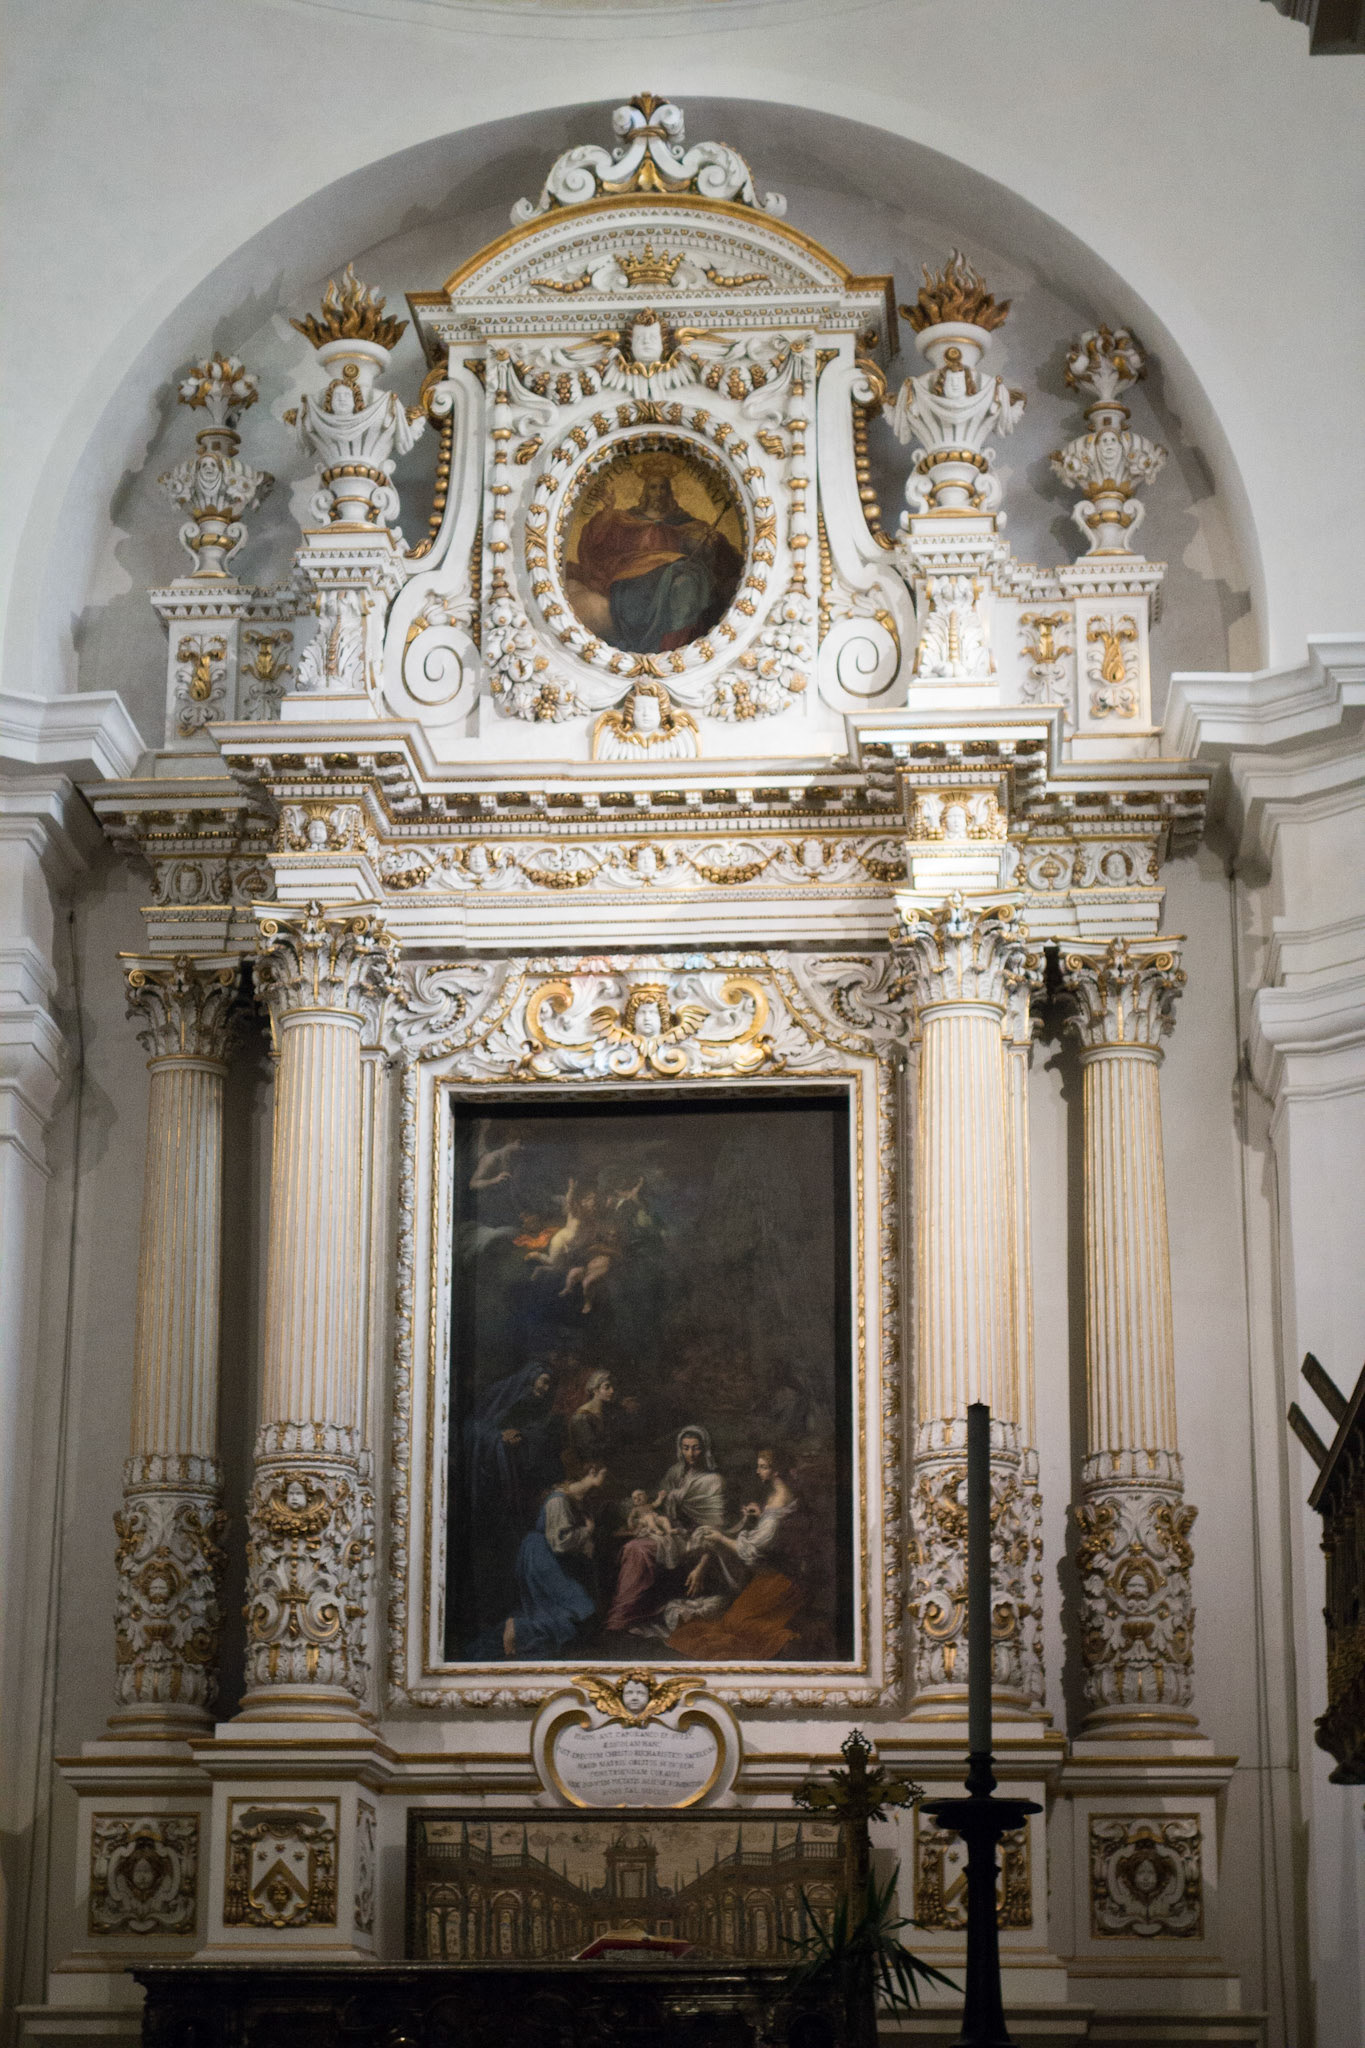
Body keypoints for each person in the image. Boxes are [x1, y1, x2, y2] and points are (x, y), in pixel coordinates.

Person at [571, 459, 742, 655]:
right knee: (675, 583)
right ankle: (651, 648)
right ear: (645, 491)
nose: (659, 493)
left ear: (670, 493)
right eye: (653, 487)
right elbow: (595, 542)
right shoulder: (625, 520)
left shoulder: (686, 523)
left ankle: (675, 650)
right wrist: (608, 510)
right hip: (634, 576)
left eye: (663, 488)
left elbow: (715, 554)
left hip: (678, 570)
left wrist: (708, 542)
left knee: (687, 582)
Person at [662, 1449, 802, 1657]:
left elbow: (751, 1550)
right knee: (731, 1620)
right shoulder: (777, 1495)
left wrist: (720, 1538)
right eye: (759, 1466)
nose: (758, 1471)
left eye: (763, 1467)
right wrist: (761, 1514)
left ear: (776, 1471)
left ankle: (785, 1641)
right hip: (767, 1574)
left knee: (736, 1625)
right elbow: (772, 1528)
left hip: (780, 1578)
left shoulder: (780, 1498)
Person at [461, 1364, 563, 1624]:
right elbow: (472, 1428)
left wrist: (524, 1439)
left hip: (521, 1487)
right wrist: (499, 1438)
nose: (546, 1388)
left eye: (550, 1384)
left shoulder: (539, 1407)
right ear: (531, 1378)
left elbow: (538, 1439)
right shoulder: (504, 1394)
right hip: (493, 1486)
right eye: (544, 1381)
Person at [472, 1467, 607, 1661]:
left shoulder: (572, 1499)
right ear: (591, 1472)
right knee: (578, 1609)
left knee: (571, 1610)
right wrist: (587, 1531)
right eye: (603, 1474)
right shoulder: (558, 1500)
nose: (606, 1480)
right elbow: (560, 1542)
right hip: (541, 1557)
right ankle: (517, 1627)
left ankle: (518, 1626)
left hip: (547, 1555)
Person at [605, 1425, 726, 1634]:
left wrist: (701, 1565)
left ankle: (622, 1616)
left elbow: (714, 1528)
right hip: (669, 1531)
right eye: (686, 1448)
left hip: (693, 1538)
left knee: (638, 1550)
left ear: (705, 1449)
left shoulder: (714, 1481)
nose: (690, 1454)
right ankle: (630, 1612)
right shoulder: (675, 1473)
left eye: (696, 1448)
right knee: (631, 1547)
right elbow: (656, 1502)